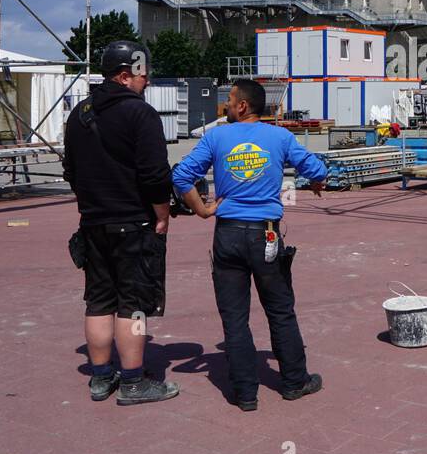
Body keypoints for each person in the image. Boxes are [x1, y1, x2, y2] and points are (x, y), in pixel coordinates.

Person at [173, 78, 329, 412]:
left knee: (234, 318)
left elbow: (181, 176)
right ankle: (294, 382)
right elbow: (318, 168)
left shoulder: (215, 137)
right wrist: (316, 181)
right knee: (280, 311)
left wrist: (201, 209)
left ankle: (245, 394)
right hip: (265, 235)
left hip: (227, 235)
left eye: (229, 100)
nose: (226, 105)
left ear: (243, 105)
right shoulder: (280, 137)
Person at [62, 40, 177, 406]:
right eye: (144, 75)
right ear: (127, 74)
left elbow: (71, 171)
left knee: (97, 301)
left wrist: (91, 204)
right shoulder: (139, 114)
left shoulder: (80, 112)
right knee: (133, 304)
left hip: (93, 223)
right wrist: (162, 212)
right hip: (133, 223)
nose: (147, 83)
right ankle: (132, 382)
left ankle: (100, 378)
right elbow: (155, 174)